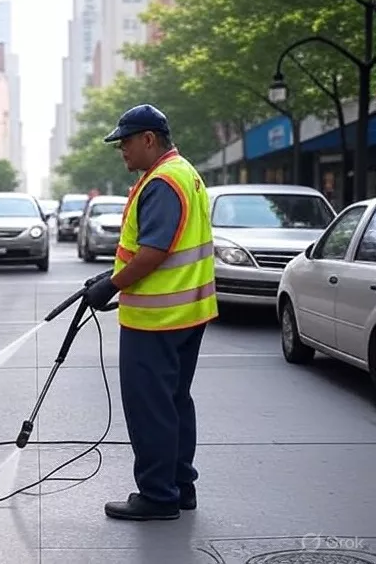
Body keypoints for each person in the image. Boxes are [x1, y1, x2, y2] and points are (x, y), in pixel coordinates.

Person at [83, 104, 218, 521]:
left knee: (151, 408)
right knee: (175, 402)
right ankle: (181, 487)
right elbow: (157, 248)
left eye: (125, 141)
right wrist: (112, 275)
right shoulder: (184, 173)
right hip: (186, 312)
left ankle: (159, 496)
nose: (120, 149)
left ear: (148, 139)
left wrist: (113, 284)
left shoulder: (161, 181)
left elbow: (155, 252)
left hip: (158, 319)